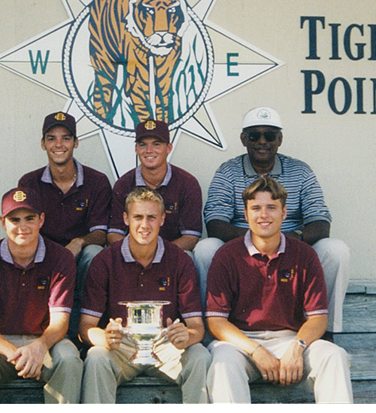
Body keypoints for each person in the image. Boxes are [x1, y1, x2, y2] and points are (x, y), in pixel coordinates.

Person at [194, 107, 350, 336]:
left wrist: (285, 241)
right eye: (254, 136)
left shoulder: (300, 171)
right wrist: (258, 239)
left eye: (270, 135)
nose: (262, 141)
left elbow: (320, 222)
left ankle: (324, 331)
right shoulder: (228, 172)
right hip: (242, 251)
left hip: (293, 250)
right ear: (243, 139)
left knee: (336, 250)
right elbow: (215, 223)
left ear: (280, 139)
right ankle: (214, 331)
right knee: (206, 248)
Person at [205, 176, 353, 403]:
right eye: (255, 208)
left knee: (334, 355)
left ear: (284, 213)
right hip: (241, 343)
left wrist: (297, 347)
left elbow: (318, 319)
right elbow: (216, 322)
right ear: (245, 215)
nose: (263, 215)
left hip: (291, 339)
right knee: (223, 364)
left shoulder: (304, 254)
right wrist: (256, 351)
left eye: (271, 207)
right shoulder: (227, 255)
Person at [79, 187, 211, 403]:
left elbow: (197, 327)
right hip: (122, 345)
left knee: (200, 356)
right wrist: (104, 337)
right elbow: (85, 327)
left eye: (151, 217)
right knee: (96, 357)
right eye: (138, 217)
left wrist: (187, 335)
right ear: (125, 218)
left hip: (166, 345)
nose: (144, 224)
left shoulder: (180, 260)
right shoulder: (104, 260)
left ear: (162, 219)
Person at [0, 188, 82, 403]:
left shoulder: (61, 258)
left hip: (46, 343)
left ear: (41, 220)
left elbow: (60, 323)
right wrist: (17, 354)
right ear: (3, 222)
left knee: (69, 359)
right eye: (14, 219)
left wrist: (39, 347)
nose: (22, 226)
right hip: (0, 344)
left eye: (30, 218)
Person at [18, 111, 112, 345]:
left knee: (95, 254)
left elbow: (101, 233)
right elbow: (25, 229)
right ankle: (38, 333)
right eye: (51, 138)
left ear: (76, 142)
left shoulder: (97, 181)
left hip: (79, 256)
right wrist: (56, 254)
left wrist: (79, 242)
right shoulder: (29, 182)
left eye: (66, 138)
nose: (58, 144)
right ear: (43, 144)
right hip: (44, 256)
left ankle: (86, 332)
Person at [108, 119, 202, 253]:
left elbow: (191, 236)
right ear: (136, 149)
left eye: (156, 144)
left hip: (172, 254)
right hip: (134, 254)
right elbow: (114, 233)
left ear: (168, 148)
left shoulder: (187, 183)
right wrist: (138, 254)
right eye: (143, 145)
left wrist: (157, 254)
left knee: (187, 255)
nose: (149, 150)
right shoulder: (124, 184)